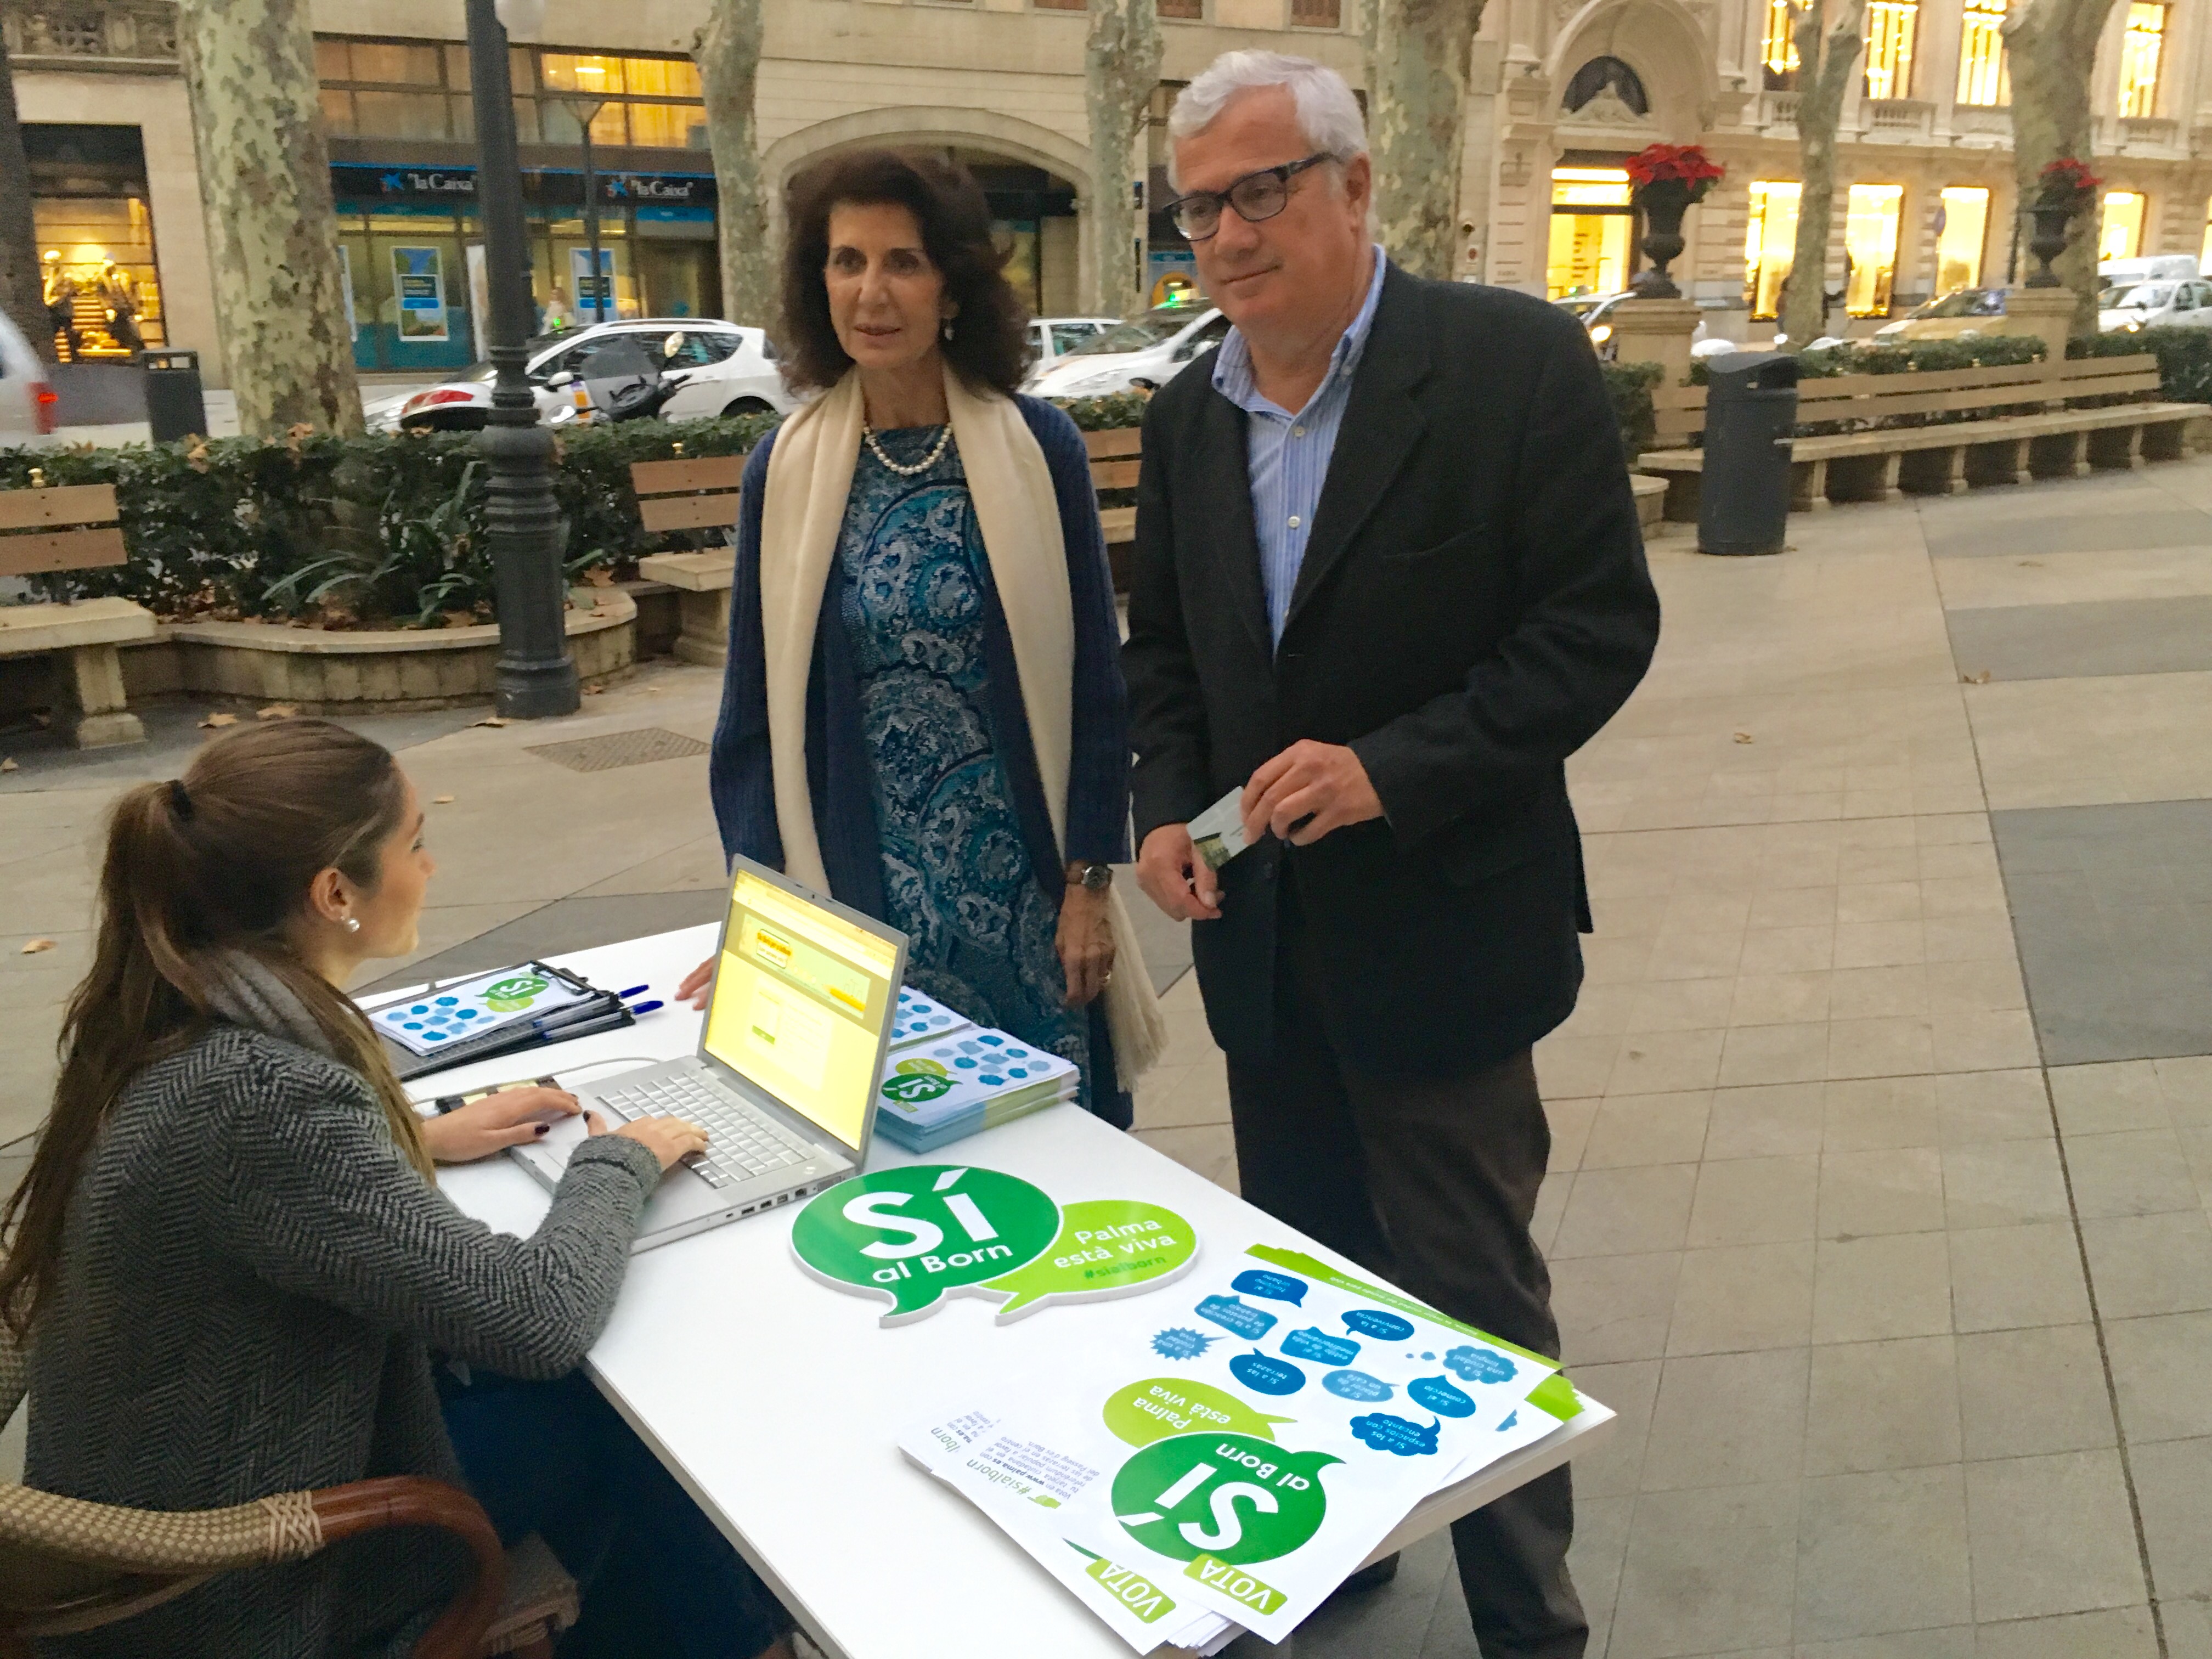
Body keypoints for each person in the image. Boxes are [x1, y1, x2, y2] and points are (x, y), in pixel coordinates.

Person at [1122, 52, 1660, 1659]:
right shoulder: (1186, 415)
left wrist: (1390, 773)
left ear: (1357, 186)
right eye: (1198, 207)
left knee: (1472, 1301)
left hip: (1447, 941)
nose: (1226, 235)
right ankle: (1342, 1555)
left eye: (1260, 190)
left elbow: (1594, 632)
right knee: (1309, 1296)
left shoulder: (1509, 365)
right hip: (1265, 953)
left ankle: (1528, 1624)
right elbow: (1168, 662)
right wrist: (1166, 810)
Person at [0, 720, 797, 1659]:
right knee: (624, 1431)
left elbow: (245, 1186)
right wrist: (618, 1162)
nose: (431, 867)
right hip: (230, 1580)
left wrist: (414, 1137)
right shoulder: (265, 1094)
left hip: (168, 1493)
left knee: (581, 1418)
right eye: (415, 843)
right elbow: (537, 1319)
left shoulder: (174, 1011)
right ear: (335, 892)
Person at [682, 148, 1164, 1114]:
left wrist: (1089, 885)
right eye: (847, 261)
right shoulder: (784, 469)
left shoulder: (1039, 450)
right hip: (860, 897)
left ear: (951, 285)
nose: (872, 292)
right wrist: (761, 916)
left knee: (1059, 1152)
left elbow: (1094, 691)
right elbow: (751, 725)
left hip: (1029, 893)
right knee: (897, 1163)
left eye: (903, 262)